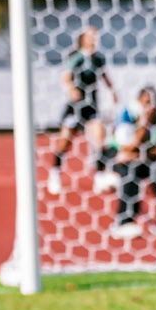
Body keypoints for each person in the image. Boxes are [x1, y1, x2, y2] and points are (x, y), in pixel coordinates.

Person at [48, 27, 116, 197]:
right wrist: (70, 88)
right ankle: (55, 173)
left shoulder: (98, 59)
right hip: (75, 107)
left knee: (99, 138)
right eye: (90, 35)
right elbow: (66, 78)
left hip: (91, 107)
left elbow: (104, 76)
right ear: (82, 38)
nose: (94, 38)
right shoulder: (76, 57)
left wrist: (113, 91)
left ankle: (99, 177)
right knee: (65, 141)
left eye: (95, 35)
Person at [112, 86, 156, 239]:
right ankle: (124, 222)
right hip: (125, 161)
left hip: (148, 158)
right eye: (146, 102)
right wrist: (144, 125)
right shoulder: (127, 114)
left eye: (154, 102)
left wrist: (140, 154)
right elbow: (124, 149)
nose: (151, 107)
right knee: (130, 171)